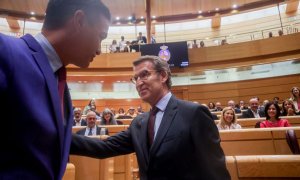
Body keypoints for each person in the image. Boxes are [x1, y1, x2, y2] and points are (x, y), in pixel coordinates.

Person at [0, 0, 110, 179]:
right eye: (101, 36)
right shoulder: (6, 51)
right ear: (79, 21)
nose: (99, 50)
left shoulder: (60, 83)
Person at [71, 55, 230, 179]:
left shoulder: (194, 114)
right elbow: (104, 148)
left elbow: (215, 171)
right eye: (136, 78)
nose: (139, 82)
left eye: (144, 75)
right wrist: (58, 136)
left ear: (163, 76)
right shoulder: (139, 123)